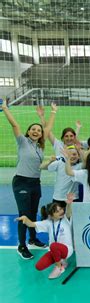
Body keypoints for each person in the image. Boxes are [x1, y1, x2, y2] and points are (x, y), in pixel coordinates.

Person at [2, 100, 56, 259]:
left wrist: (52, 112)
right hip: (21, 182)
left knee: (33, 213)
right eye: (33, 129)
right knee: (24, 213)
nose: (36, 131)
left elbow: (48, 129)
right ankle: (21, 245)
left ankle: (32, 239)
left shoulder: (41, 146)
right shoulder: (23, 142)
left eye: (38, 130)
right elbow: (14, 125)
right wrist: (5, 108)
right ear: (28, 131)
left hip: (35, 183)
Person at [15, 193, 75, 279]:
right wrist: (25, 218)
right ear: (51, 216)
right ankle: (62, 262)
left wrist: (69, 203)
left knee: (53, 245)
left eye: (61, 209)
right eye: (57, 211)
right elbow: (31, 224)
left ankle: (59, 267)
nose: (61, 211)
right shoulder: (48, 223)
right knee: (39, 266)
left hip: (67, 250)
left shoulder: (65, 219)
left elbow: (69, 212)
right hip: (54, 251)